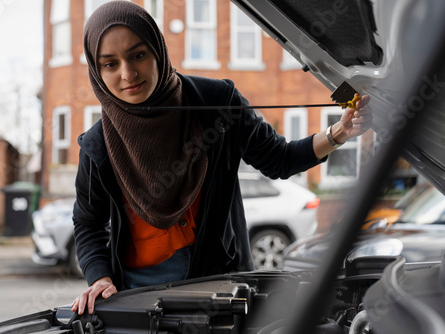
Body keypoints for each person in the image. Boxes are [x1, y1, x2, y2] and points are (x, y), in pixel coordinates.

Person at [71, 0, 372, 316]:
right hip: (138, 295)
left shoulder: (217, 103)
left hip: (222, 284)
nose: (127, 73)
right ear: (96, 69)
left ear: (157, 49)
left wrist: (338, 133)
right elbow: (88, 223)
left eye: (138, 55)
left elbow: (279, 159)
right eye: (110, 64)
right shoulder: (97, 145)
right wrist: (99, 277)